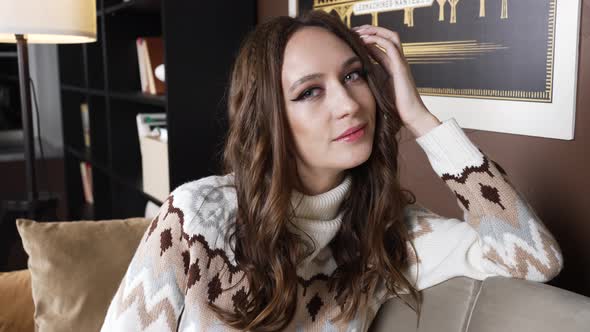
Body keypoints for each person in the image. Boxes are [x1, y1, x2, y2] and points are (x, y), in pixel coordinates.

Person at [101, 10, 563, 332]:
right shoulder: (197, 217)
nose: (348, 105)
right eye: (309, 92)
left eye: (353, 75)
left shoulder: (387, 237)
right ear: (269, 118)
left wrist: (423, 119)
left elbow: (533, 258)